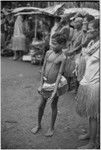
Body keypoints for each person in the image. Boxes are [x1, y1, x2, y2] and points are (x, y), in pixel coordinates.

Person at [31, 35, 67, 137]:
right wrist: (40, 85)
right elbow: (43, 68)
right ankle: (38, 125)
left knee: (54, 106)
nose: (51, 45)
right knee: (41, 105)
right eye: (52, 42)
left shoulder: (63, 57)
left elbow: (60, 74)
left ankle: (51, 128)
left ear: (62, 45)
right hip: (45, 84)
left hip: (54, 85)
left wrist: (55, 90)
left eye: (55, 43)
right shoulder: (48, 53)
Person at [76, 19, 100, 149]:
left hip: (94, 85)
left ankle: (93, 143)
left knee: (93, 115)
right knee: (90, 113)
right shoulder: (92, 43)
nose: (87, 30)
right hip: (87, 81)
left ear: (98, 30)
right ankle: (91, 134)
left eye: (90, 28)